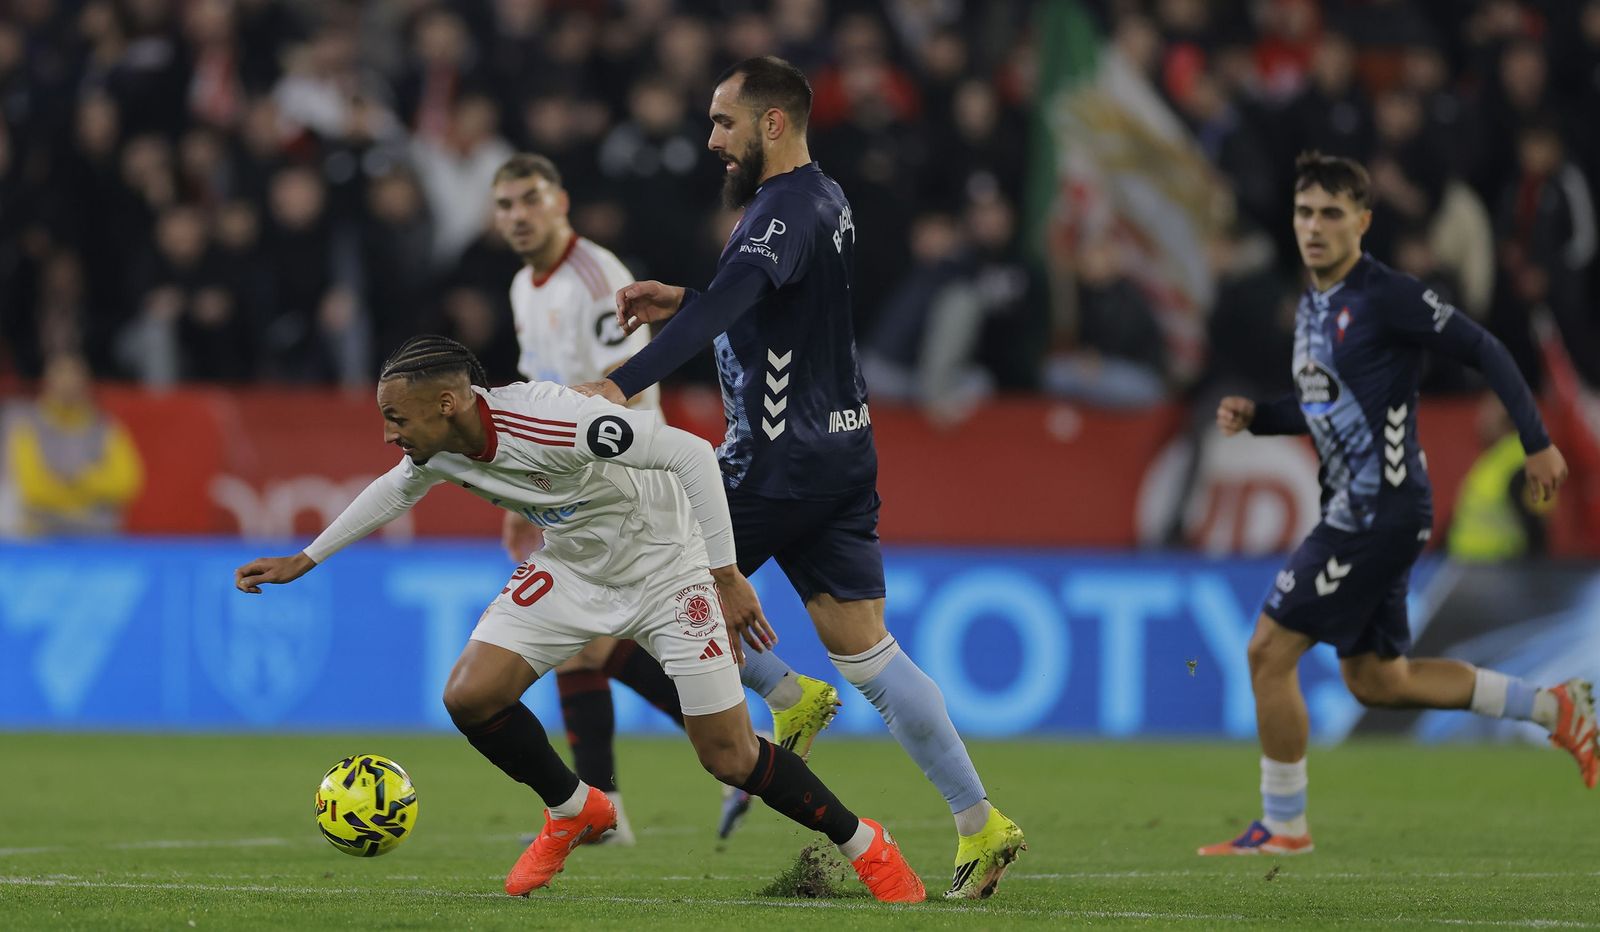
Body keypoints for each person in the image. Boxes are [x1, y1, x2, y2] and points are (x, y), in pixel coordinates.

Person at [233, 336, 925, 903]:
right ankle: (574, 808)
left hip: (668, 567)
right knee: (470, 695)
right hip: (574, 566)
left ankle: (866, 843)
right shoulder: (437, 446)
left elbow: (688, 453)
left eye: (396, 419)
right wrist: (306, 558)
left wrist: (725, 575)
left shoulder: (553, 420)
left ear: (447, 403)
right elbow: (394, 491)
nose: (390, 435)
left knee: (729, 756)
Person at [572, 55, 1024, 899]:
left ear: (772, 124)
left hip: (778, 462)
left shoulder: (779, 210)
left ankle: (785, 694)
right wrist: (687, 299)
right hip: (842, 451)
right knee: (870, 654)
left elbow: (733, 305)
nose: (713, 139)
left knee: (628, 588)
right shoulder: (824, 197)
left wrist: (621, 383)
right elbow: (772, 311)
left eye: (724, 122)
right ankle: (980, 822)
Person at [1201, 152, 1593, 857]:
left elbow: (1486, 348)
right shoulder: (1314, 306)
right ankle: (1554, 706)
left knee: (1267, 651)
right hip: (1363, 510)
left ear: (1362, 222)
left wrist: (1536, 442)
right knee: (1380, 681)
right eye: (1304, 212)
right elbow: (1323, 406)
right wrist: (1260, 418)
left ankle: (1284, 823)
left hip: (1375, 510)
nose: (1313, 226)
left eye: (1330, 213)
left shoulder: (1388, 296)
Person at [489, 152, 839, 844]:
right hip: (576, 479)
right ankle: (617, 805)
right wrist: (520, 496)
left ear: (561, 202)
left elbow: (628, 389)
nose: (519, 215)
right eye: (505, 205)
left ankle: (757, 717)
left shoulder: (596, 278)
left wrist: (574, 480)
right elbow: (542, 393)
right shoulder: (524, 286)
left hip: (623, 478)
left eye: (531, 198)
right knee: (591, 647)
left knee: (609, 634)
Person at [1, 353, 145, 537]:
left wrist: (80, 481)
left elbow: (127, 482)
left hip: (99, 532)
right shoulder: (27, 427)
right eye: (61, 377)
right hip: (43, 532)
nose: (67, 385)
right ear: (47, 382)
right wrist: (81, 500)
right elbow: (31, 487)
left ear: (86, 384)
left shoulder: (107, 428)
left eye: (74, 378)